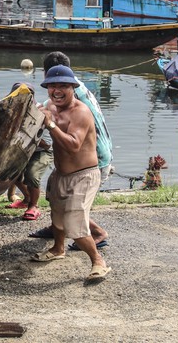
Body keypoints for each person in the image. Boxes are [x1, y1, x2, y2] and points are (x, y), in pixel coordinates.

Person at [32, 65, 110, 282]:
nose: (56, 91)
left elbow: (74, 145)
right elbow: (48, 133)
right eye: (52, 86)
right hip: (60, 174)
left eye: (63, 86)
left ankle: (98, 261)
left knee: (75, 225)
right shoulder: (50, 106)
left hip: (83, 176)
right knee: (57, 216)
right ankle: (58, 249)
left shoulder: (81, 112)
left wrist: (51, 125)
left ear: (73, 87)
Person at [5, 82, 52, 221]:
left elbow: (44, 143)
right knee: (12, 173)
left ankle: (33, 206)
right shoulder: (12, 109)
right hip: (23, 149)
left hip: (43, 149)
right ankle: (27, 199)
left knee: (32, 174)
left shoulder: (41, 111)